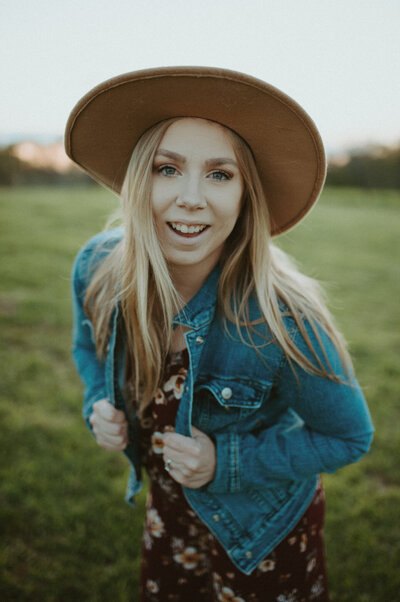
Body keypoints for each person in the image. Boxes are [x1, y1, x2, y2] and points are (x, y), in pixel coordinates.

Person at [67, 66, 374, 601]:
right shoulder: (99, 269)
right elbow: (85, 347)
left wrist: (225, 462)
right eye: (167, 169)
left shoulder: (281, 318)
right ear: (140, 179)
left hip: (262, 525)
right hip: (168, 508)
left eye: (219, 174)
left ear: (245, 196)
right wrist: (99, 400)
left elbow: (349, 436)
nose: (191, 197)